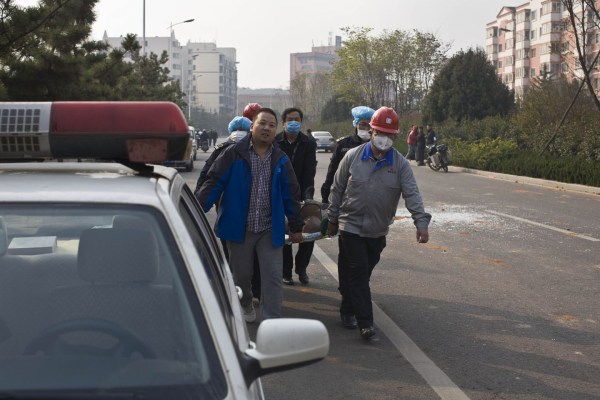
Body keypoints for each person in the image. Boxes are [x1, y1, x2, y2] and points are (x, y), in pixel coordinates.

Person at [326, 106, 431, 340]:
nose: (385, 138)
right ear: (372, 131)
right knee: (359, 271)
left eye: (390, 134)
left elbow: (412, 193)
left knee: (358, 273)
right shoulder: (352, 156)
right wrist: (332, 218)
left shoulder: (400, 164)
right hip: (350, 226)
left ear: (395, 137)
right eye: (380, 132)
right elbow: (338, 188)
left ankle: (347, 306)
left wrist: (420, 223)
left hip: (377, 230)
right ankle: (366, 323)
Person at [196, 107, 304, 323]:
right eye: (262, 123)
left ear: (275, 131)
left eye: (271, 125)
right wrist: (197, 211)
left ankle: (272, 319)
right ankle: (245, 303)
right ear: (252, 126)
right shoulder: (233, 154)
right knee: (242, 277)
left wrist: (296, 226)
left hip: (269, 229)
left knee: (273, 277)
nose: (266, 128)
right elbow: (213, 182)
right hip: (239, 228)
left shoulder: (280, 159)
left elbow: (291, 194)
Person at [276, 108, 317, 285]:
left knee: (309, 231)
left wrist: (307, 198)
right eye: (290, 119)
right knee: (284, 235)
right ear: (283, 122)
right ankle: (286, 272)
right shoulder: (275, 141)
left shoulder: (308, 143)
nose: (294, 122)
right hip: (280, 195)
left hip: (302, 194)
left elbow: (309, 172)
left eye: (297, 119)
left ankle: (301, 268)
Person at [320, 106, 375, 205]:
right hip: (344, 195)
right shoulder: (343, 144)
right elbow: (332, 170)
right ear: (356, 124)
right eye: (362, 125)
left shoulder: (376, 147)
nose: (366, 128)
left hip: (368, 196)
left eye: (369, 125)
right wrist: (326, 194)